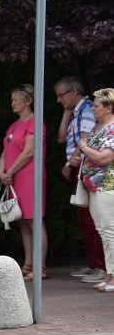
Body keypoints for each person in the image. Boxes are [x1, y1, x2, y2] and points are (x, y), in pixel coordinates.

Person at [56, 77, 107, 284]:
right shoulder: (77, 111)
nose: (59, 100)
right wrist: (67, 112)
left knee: (91, 219)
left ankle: (101, 266)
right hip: (81, 168)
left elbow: (84, 141)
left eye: (62, 95)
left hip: (86, 168)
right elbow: (61, 138)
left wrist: (69, 164)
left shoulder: (86, 109)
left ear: (74, 91)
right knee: (85, 219)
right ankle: (94, 263)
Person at [0, 84, 48, 280]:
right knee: (22, 221)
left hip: (28, 176)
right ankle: (28, 264)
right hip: (14, 177)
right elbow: (5, 150)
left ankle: (40, 266)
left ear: (28, 101)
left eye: (16, 100)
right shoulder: (14, 124)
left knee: (34, 220)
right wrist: (1, 171)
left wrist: (9, 171)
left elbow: (29, 152)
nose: (12, 104)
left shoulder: (35, 123)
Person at [77, 88, 114, 292]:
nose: (92, 108)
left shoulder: (112, 129)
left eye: (96, 105)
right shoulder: (101, 127)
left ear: (109, 108)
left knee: (110, 232)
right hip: (95, 187)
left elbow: (104, 158)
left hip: (108, 186)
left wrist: (83, 148)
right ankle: (110, 274)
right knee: (103, 231)